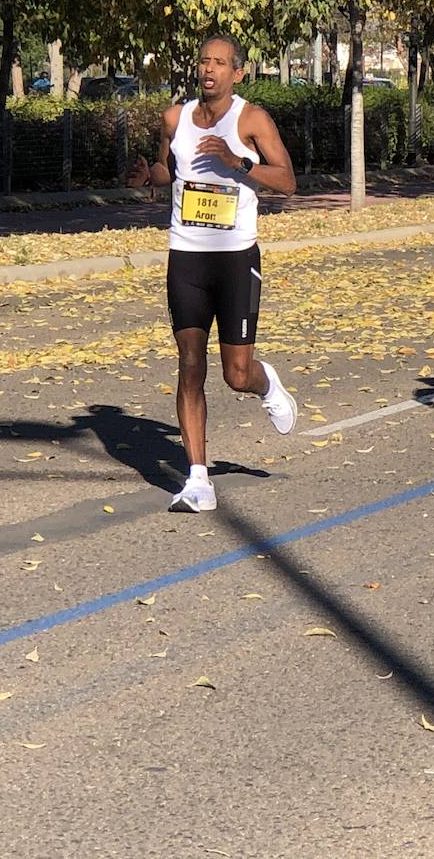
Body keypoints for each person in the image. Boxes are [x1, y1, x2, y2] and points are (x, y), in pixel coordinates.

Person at [128, 34, 299, 513]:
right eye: (204, 61)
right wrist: (149, 177)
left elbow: (286, 181)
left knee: (235, 374)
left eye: (220, 63)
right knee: (189, 363)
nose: (210, 69)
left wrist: (239, 162)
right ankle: (198, 479)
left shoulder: (251, 119)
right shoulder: (173, 118)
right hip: (186, 255)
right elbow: (169, 171)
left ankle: (266, 384)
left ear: (237, 73)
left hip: (236, 258)